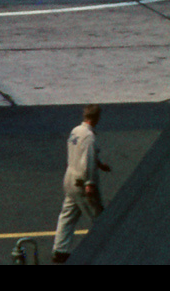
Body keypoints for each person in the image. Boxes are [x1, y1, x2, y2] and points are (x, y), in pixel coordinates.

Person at [51, 104, 110, 263]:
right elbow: (88, 160)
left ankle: (59, 250)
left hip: (69, 178)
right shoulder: (89, 137)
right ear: (97, 118)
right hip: (81, 182)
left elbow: (80, 153)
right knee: (98, 217)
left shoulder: (75, 131)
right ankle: (105, 250)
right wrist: (90, 183)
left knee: (67, 215)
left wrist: (100, 164)